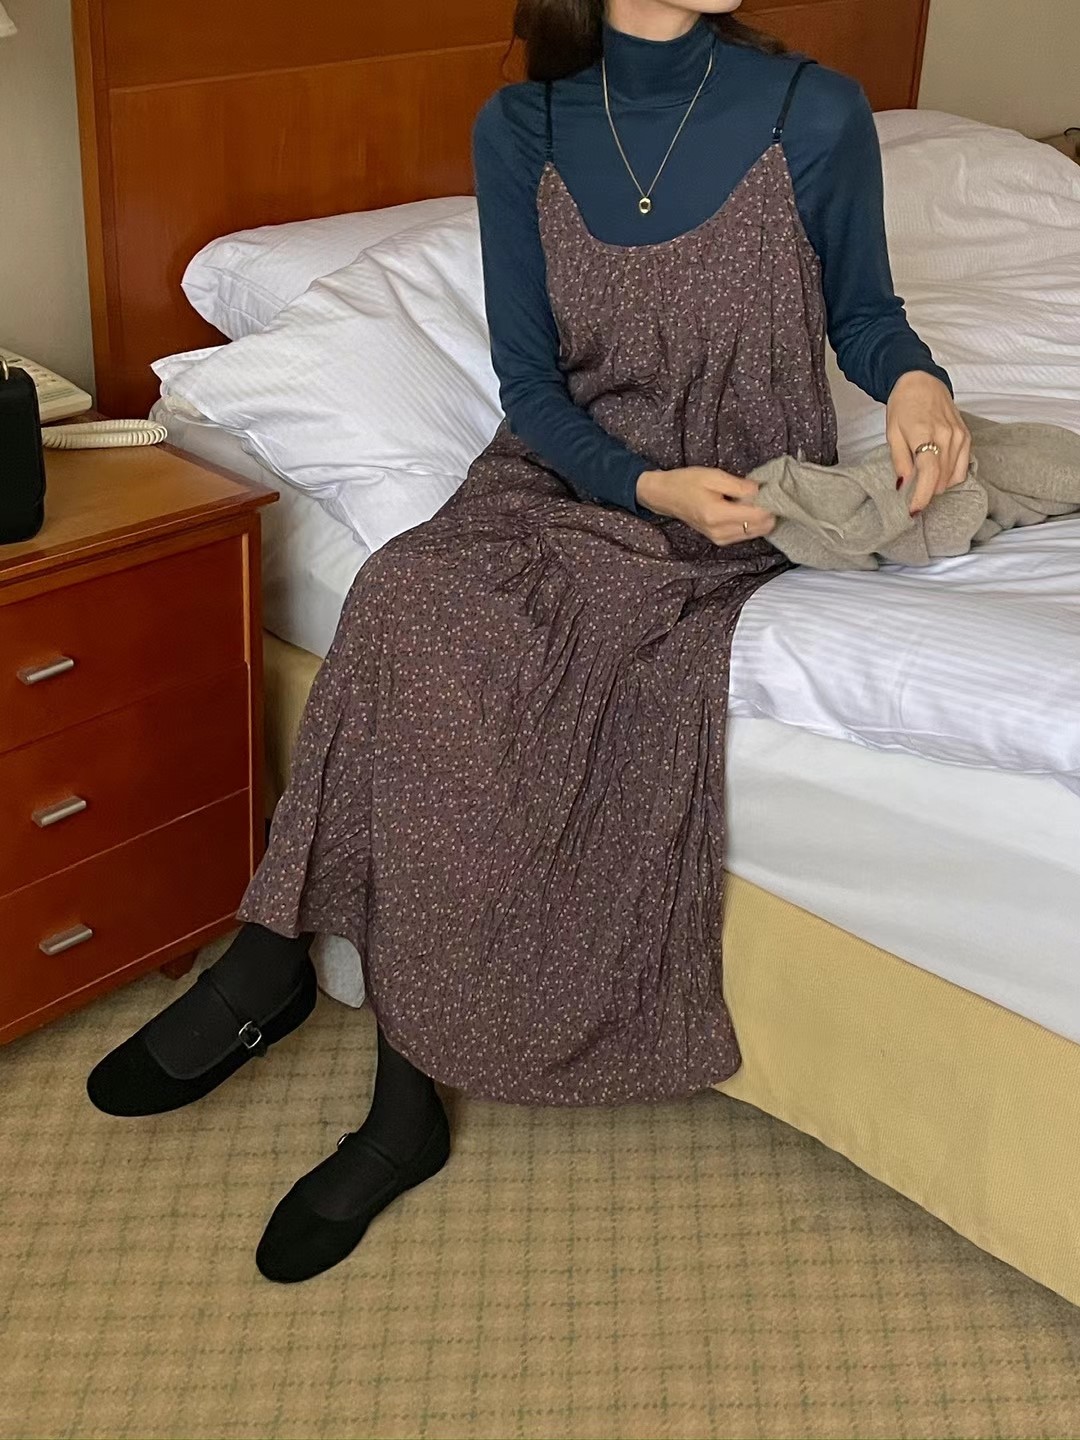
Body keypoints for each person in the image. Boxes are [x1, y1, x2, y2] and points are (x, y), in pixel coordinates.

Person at [87, 0, 968, 1284]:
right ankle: (315, 1004)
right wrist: (637, 481)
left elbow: (867, 317)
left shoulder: (812, 111)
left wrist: (918, 379)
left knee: (482, 650)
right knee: (409, 593)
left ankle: (306, 1011)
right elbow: (532, 388)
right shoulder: (525, 128)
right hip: (570, 475)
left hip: (729, 497)